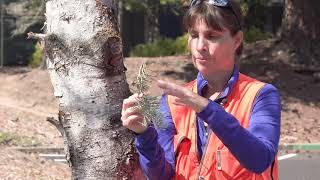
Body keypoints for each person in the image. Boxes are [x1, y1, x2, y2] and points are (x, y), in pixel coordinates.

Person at [121, 0, 281, 179]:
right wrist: (144, 134)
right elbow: (161, 176)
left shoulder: (261, 95)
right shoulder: (171, 101)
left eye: (212, 36)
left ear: (237, 40)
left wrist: (206, 108)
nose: (199, 46)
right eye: (194, 35)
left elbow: (259, 160)